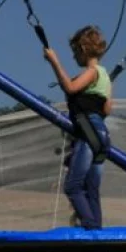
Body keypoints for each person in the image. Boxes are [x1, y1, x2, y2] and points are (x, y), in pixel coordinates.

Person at [43, 25, 113, 230]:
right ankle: (97, 230)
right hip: (102, 135)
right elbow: (107, 109)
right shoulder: (106, 77)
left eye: (74, 53)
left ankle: (90, 226)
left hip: (88, 132)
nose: (74, 57)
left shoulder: (92, 72)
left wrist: (54, 61)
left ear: (82, 49)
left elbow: (70, 87)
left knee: (73, 186)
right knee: (91, 189)